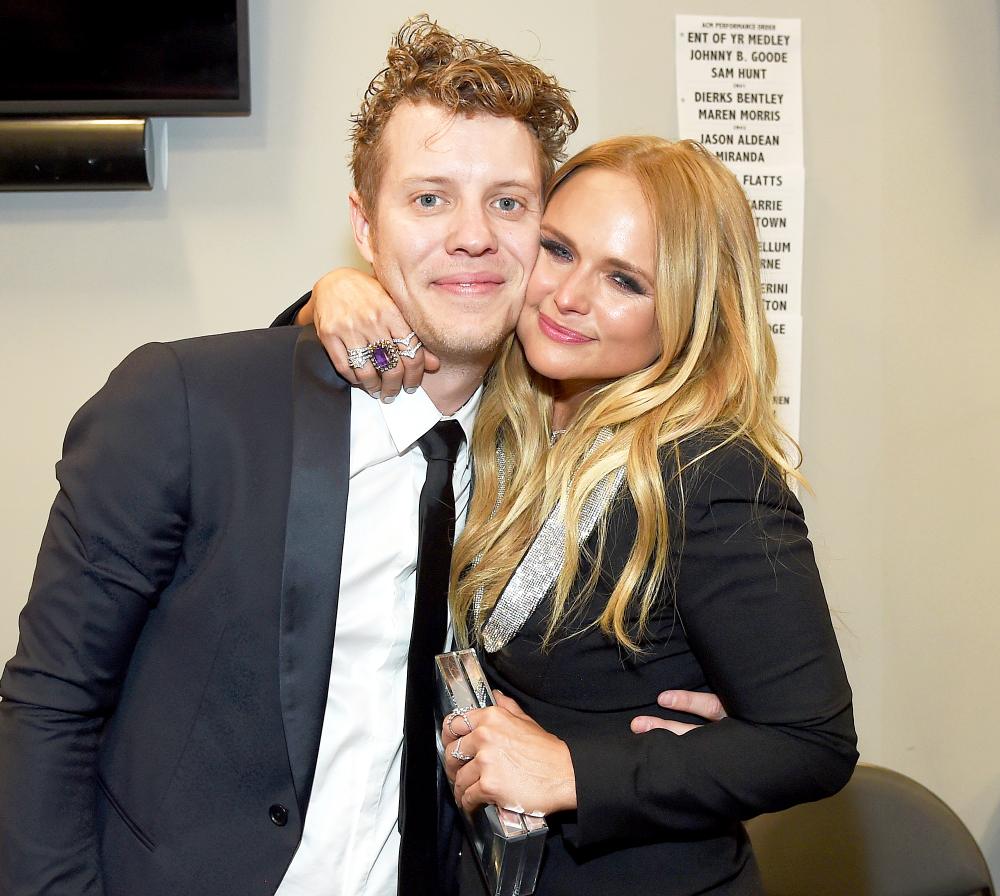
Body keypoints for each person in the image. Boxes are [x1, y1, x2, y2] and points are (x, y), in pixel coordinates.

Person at [0, 18, 577, 896]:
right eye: (429, 199)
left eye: (508, 202)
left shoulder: (549, 457)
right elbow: (48, 707)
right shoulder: (187, 406)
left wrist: (693, 722)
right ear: (364, 224)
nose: (473, 236)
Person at [290, 136, 858, 894]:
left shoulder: (707, 472)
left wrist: (573, 770)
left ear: (688, 312)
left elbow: (815, 741)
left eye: (625, 280)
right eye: (557, 250)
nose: (568, 297)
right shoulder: (512, 409)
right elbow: (311, 380)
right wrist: (333, 292)